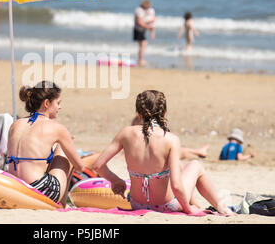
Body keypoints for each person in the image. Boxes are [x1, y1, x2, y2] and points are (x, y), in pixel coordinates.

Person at [93, 90, 234, 215]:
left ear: (138, 113)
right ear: (164, 112)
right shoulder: (171, 139)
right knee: (195, 165)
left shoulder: (125, 133)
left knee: (178, 167)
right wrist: (187, 209)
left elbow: (98, 165)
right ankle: (221, 207)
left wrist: (116, 181)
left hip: (136, 204)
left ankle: (199, 204)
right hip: (168, 206)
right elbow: (176, 185)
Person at [6, 81, 84, 206]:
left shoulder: (15, 124)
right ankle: (62, 204)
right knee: (64, 150)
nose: (60, 107)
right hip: (39, 190)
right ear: (47, 103)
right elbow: (80, 167)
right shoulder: (57, 128)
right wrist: (68, 142)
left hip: (12, 188)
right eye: (58, 103)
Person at [131, 115, 209, 160]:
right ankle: (198, 152)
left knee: (181, 153)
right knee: (180, 152)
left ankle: (198, 153)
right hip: (160, 154)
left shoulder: (135, 137)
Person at [133, 0, 156, 67]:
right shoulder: (139, 10)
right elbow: (139, 22)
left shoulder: (144, 10)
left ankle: (140, 59)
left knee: (142, 45)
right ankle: (141, 60)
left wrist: (151, 28)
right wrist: (148, 27)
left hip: (142, 29)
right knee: (143, 44)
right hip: (138, 30)